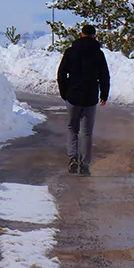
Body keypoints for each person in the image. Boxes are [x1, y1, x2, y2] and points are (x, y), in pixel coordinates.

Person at [56, 24, 110, 176]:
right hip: (90, 97)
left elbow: (61, 74)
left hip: (73, 96)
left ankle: (73, 158)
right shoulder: (98, 54)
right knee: (87, 132)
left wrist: (64, 93)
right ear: (94, 36)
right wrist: (104, 95)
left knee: (72, 129)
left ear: (80, 35)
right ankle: (85, 164)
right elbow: (104, 76)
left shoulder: (70, 51)